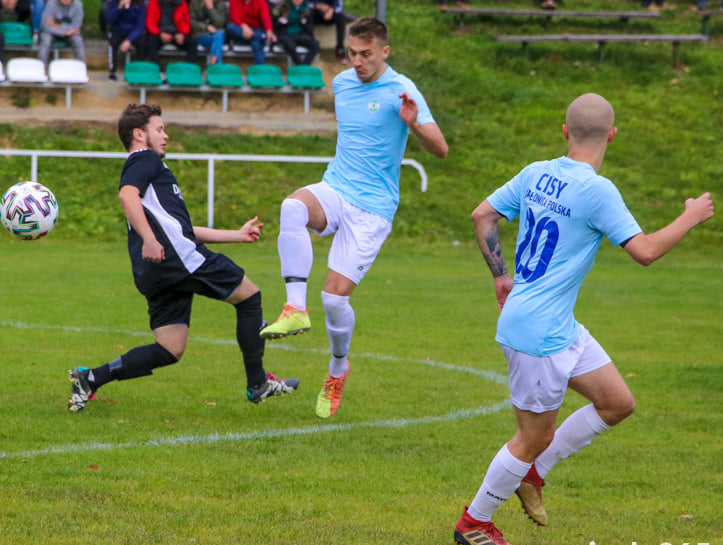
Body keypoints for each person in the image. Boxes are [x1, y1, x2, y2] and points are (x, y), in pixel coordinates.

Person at [454, 93, 714, 545]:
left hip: (556, 326)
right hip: (537, 334)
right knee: (531, 437)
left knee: (617, 402)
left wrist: (501, 278)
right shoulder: (597, 191)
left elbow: (482, 215)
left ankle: (533, 473)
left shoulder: (537, 172)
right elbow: (646, 251)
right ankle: (474, 522)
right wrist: (690, 216)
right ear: (612, 135)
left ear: (564, 131)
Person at [258, 17, 448, 419]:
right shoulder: (342, 84)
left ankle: (338, 368)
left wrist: (413, 125)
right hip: (337, 189)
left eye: (365, 54)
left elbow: (441, 149)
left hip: (374, 208)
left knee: (333, 298)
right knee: (291, 206)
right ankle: (294, 309)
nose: (357, 61)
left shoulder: (403, 90)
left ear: (384, 51)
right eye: (352, 53)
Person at [68, 103, 299, 413]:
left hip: (156, 269)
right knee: (249, 297)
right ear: (140, 134)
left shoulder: (151, 172)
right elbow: (126, 196)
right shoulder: (144, 159)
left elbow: (182, 230)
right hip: (178, 260)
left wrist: (237, 234)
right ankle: (258, 383)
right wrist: (149, 239)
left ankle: (90, 378)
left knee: (170, 349)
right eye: (159, 129)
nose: (165, 135)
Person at [106, 0, 146, 80]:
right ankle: (113, 71)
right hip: (117, 31)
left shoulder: (141, 4)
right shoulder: (114, 3)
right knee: (112, 43)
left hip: (133, 32)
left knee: (143, 44)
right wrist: (119, 8)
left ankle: (138, 71)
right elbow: (109, 19)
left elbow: (140, 26)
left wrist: (129, 40)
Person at [227, 0, 274, 65]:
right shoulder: (234, 1)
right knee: (230, 27)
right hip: (241, 32)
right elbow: (234, 17)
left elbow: (266, 17)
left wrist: (269, 30)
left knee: (256, 43)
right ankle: (261, 36)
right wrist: (244, 26)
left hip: (255, 30)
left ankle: (259, 71)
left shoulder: (261, 2)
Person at [273, 0, 318, 66]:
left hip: (300, 34)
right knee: (290, 46)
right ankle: (300, 67)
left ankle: (304, 67)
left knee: (315, 45)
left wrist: (305, 23)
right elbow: (273, 22)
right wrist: (280, 22)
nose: (298, 1)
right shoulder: (282, 6)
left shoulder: (306, 8)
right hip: (285, 34)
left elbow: (310, 26)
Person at [145, 0, 189, 64]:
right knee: (151, 41)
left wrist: (182, 34)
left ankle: (190, 69)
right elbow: (149, 23)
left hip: (177, 34)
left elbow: (186, 22)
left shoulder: (182, 3)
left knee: (192, 42)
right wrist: (160, 34)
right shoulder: (154, 2)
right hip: (159, 33)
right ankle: (156, 69)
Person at [185, 0, 226, 65]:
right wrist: (206, 27)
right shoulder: (194, 2)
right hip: (200, 35)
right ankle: (215, 65)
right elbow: (191, 22)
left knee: (219, 34)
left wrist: (211, 9)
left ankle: (214, 60)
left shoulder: (221, 4)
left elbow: (220, 24)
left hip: (216, 36)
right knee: (219, 37)